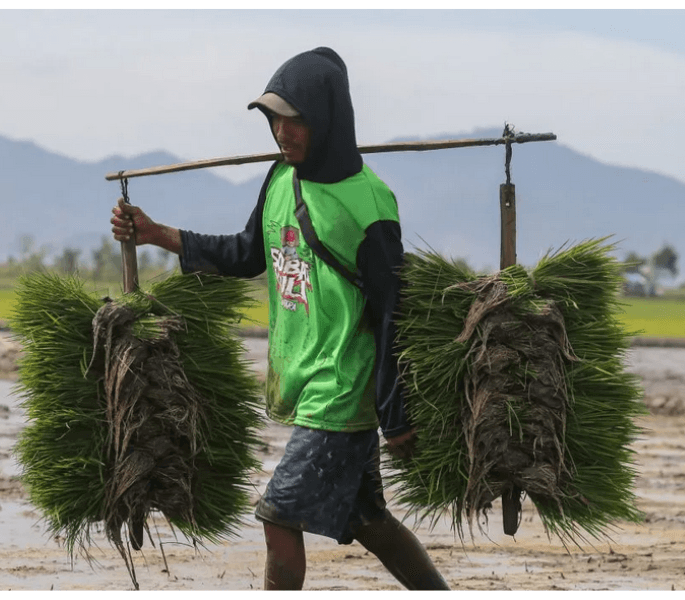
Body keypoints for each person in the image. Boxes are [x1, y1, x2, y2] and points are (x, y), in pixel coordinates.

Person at [110, 47, 450, 591]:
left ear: (328, 121)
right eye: (273, 120)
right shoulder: (280, 179)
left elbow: (393, 311)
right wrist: (157, 234)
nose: (281, 133)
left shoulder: (369, 205)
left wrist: (395, 415)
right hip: (305, 379)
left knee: (278, 515)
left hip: (341, 387)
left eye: (295, 121)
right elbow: (248, 252)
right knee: (367, 519)